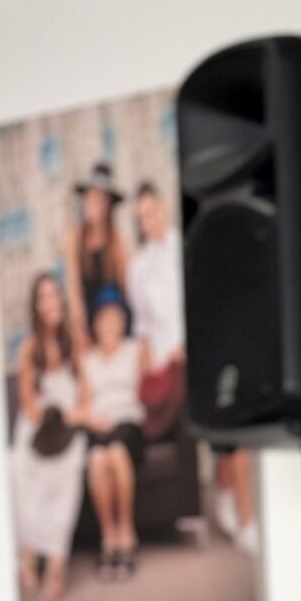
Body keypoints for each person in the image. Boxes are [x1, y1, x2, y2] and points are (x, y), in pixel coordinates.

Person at [8, 271, 89, 601]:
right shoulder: (28, 348)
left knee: (68, 479)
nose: (51, 302)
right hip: (38, 431)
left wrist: (71, 417)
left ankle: (56, 566)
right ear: (36, 306)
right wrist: (56, 417)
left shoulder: (74, 342)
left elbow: (85, 395)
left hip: (68, 430)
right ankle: (29, 557)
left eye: (55, 294)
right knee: (22, 469)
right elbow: (29, 406)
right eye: (43, 297)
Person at [80, 290, 146, 579]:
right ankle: (108, 536)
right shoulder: (87, 360)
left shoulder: (135, 350)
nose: (109, 324)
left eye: (114, 318)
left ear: (123, 322)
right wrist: (92, 420)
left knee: (117, 453)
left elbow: (149, 389)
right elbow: (84, 403)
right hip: (99, 424)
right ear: (95, 324)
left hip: (128, 422)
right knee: (97, 458)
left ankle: (126, 531)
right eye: (103, 318)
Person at [127, 180, 186, 442]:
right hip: (165, 367)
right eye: (140, 218)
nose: (146, 222)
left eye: (149, 213)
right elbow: (143, 326)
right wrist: (148, 371)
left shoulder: (183, 245)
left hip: (192, 355)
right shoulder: (138, 267)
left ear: (162, 208)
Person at [62, 159, 129, 348]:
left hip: (114, 327)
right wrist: (81, 332)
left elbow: (125, 293)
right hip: (86, 329)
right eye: (89, 197)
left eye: (98, 198)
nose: (92, 203)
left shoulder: (118, 244)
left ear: (108, 204)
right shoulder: (74, 237)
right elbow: (74, 292)